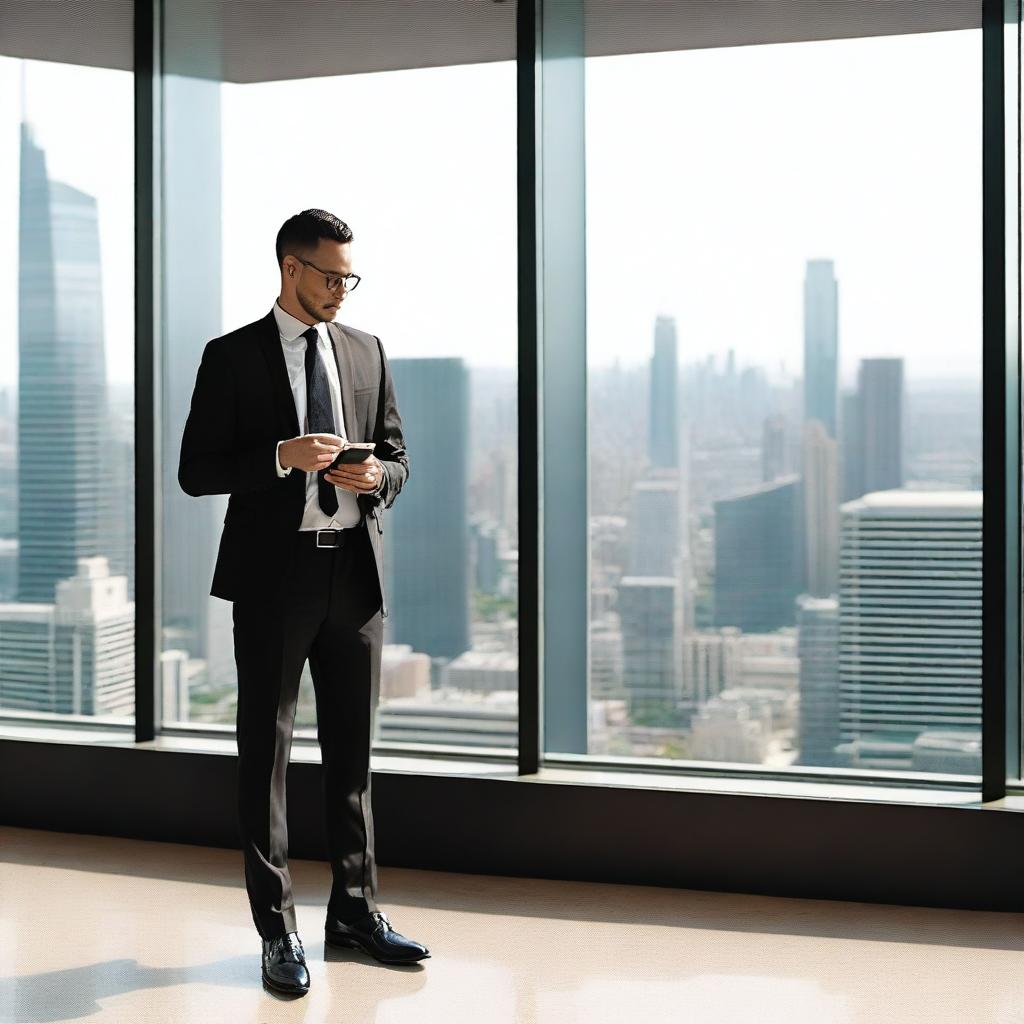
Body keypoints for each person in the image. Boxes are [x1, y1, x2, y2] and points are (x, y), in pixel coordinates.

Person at [178, 208, 429, 997]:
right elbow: (195, 470)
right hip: (273, 579)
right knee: (269, 759)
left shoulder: (366, 350)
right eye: (330, 276)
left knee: (351, 761)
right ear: (290, 268)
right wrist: (281, 458)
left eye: (350, 277)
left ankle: (354, 915)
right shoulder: (231, 358)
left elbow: (397, 456)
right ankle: (276, 931)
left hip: (355, 577)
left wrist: (376, 478)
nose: (342, 291)